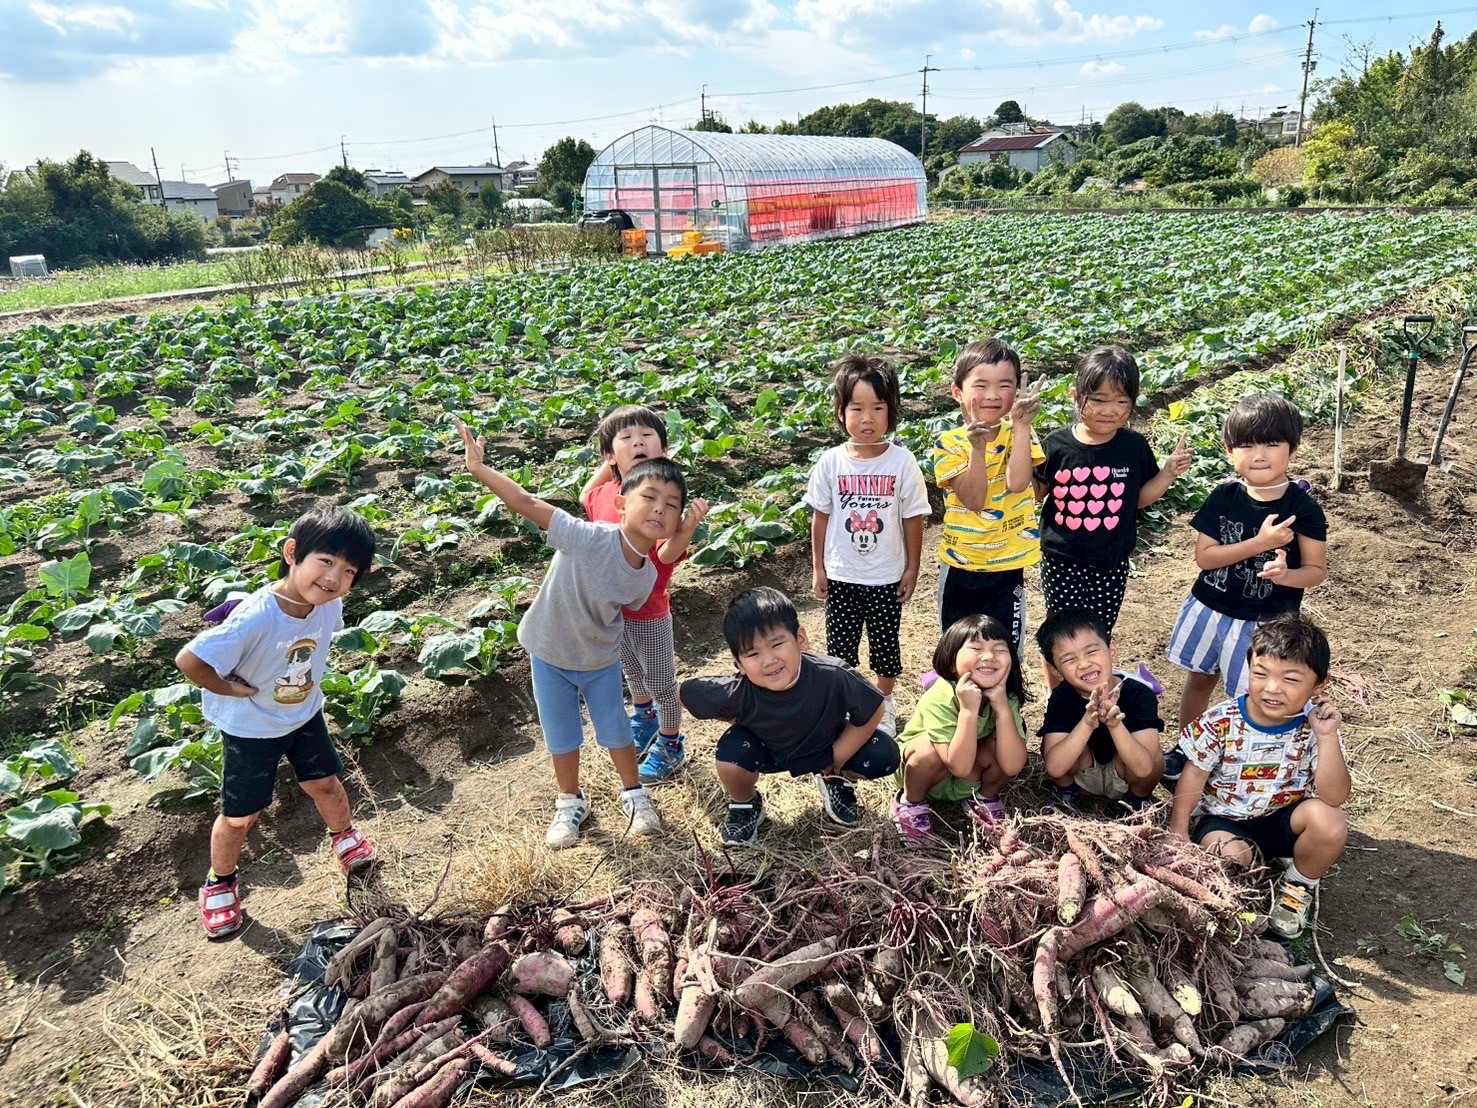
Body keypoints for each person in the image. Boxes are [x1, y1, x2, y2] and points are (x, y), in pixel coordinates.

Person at [457, 418, 704, 849]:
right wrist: (479, 469)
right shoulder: (584, 536)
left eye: (671, 505)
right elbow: (526, 501)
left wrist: (687, 531)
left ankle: (635, 795)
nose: (659, 509)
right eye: (649, 497)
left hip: (599, 660)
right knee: (562, 734)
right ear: (620, 503)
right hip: (549, 652)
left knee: (616, 731)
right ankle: (570, 802)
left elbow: (635, 595)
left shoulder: (645, 577)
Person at [177, 505, 378, 939]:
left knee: (326, 783)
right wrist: (228, 689)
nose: (334, 578)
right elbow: (189, 660)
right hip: (251, 729)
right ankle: (220, 883)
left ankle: (344, 836)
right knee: (240, 817)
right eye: (326, 561)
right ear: (291, 553)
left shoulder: (328, 606)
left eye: (348, 571)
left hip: (303, 715)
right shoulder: (256, 616)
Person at [1164, 394, 1328, 780]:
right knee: (1199, 679)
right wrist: (1260, 544)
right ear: (1229, 451)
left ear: (1293, 450)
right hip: (1211, 608)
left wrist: (1286, 576)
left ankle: (1237, 762)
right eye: (1247, 445)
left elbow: (1316, 570)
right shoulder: (1223, 497)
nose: (1259, 455)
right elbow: (1205, 558)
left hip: (1264, 624)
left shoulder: (1303, 509)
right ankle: (1189, 748)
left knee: (1250, 695)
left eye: (1271, 444)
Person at [1168, 615, 1349, 939]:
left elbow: (1334, 796)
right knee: (1229, 858)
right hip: (1224, 821)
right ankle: (1239, 892)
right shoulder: (1221, 721)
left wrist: (1326, 738)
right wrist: (1178, 830)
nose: (1272, 688)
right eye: (1260, 674)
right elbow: (1193, 775)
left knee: (1330, 820)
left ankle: (1297, 886)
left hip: (1285, 820)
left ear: (1318, 686)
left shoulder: (1317, 729)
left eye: (1290, 679)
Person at [680, 587, 899, 846]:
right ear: (738, 664)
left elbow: (874, 708)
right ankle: (745, 804)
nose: (768, 660)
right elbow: (685, 692)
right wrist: (733, 718)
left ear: (801, 640)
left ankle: (835, 778)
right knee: (731, 755)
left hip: (826, 745)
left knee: (883, 754)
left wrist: (838, 755)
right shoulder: (736, 691)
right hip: (769, 752)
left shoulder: (832, 674)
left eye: (777, 644)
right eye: (752, 654)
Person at [581, 405, 709, 784]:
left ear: (664, 451)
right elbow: (587, 494)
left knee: (662, 684)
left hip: (649, 614)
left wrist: (687, 528)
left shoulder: (662, 501)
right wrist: (612, 465)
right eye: (626, 438)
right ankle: (645, 718)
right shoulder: (605, 496)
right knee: (633, 673)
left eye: (647, 436)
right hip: (612, 611)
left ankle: (671, 743)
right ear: (609, 455)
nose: (638, 442)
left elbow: (666, 555)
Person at [806, 354, 930, 734]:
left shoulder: (902, 463)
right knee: (840, 648)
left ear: (892, 411)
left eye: (878, 408)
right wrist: (818, 568)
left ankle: (884, 703)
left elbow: (912, 518)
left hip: (886, 576)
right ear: (840, 412)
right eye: (856, 408)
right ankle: (846, 706)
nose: (867, 418)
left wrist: (911, 568)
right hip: (842, 575)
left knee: (885, 647)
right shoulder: (831, 462)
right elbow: (820, 518)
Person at [1034, 347, 1191, 635]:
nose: (1110, 410)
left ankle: (1096, 665)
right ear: (1075, 396)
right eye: (1098, 400)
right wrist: (1017, 448)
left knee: (1099, 630)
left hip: (1111, 561)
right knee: (1061, 630)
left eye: (1121, 401)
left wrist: (1168, 473)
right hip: (1061, 560)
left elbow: (1139, 500)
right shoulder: (1056, 445)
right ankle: (1059, 668)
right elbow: (1035, 492)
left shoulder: (1133, 447)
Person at [933, 337, 1045, 652]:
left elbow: (1018, 483)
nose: (993, 395)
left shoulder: (1021, 432)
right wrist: (978, 450)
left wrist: (1021, 427)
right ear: (957, 392)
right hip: (961, 564)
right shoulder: (949, 443)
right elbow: (974, 500)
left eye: (1005, 385)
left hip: (1007, 565)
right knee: (958, 651)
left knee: (1004, 649)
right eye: (981, 385)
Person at [891, 614, 1029, 838]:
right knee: (928, 750)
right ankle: (910, 804)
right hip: (924, 775)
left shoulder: (1006, 697)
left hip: (966, 778)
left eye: (1000, 649)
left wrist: (1002, 708)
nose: (989, 656)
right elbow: (959, 767)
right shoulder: (941, 696)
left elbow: (1012, 766)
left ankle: (984, 800)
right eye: (976, 648)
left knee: (1006, 742)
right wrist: (968, 710)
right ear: (951, 662)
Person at [1035, 609, 1163, 815]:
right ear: (1056, 671)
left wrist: (1115, 724)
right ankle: (1065, 792)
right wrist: (1086, 723)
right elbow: (1055, 767)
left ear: (1112, 651)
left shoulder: (1139, 694)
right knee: (1051, 745)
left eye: (1092, 651)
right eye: (1069, 659)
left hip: (1125, 774)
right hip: (1083, 775)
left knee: (1155, 755)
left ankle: (1137, 800)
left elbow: (1144, 768)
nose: (1084, 664)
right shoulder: (1062, 697)